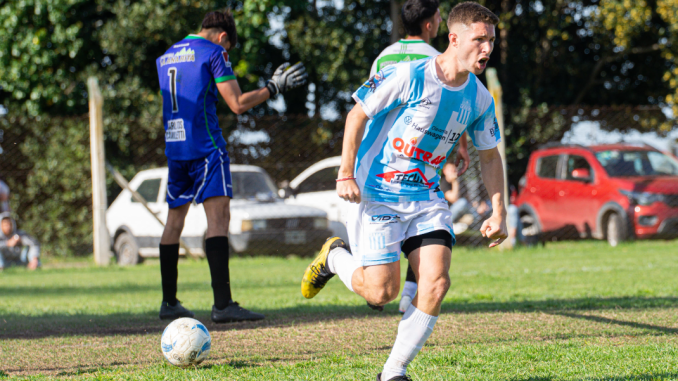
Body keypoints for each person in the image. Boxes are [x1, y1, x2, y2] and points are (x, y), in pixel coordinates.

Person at [301, 3, 506, 380]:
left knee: (437, 282)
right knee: (381, 293)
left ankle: (393, 371)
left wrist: (499, 212)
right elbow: (356, 115)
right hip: (377, 193)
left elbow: (490, 158)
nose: (487, 49)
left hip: (426, 198)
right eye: (479, 40)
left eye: (491, 40)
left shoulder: (479, 98)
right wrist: (345, 173)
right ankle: (334, 258)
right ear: (454, 38)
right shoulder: (409, 75)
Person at [155, 10, 307, 323]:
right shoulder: (214, 53)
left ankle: (169, 302)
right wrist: (272, 88)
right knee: (219, 219)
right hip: (206, 149)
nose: (227, 54)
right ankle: (223, 305)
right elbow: (236, 104)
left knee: (173, 222)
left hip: (176, 148)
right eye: (229, 49)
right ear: (224, 37)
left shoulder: (167, 56)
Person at [369, 0, 471, 314]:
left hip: (383, 158)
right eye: (439, 16)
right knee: (422, 223)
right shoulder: (436, 59)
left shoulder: (383, 57)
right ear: (429, 24)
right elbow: (453, 100)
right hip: (420, 153)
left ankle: (396, 288)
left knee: (409, 226)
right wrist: (461, 146)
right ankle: (406, 293)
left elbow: (370, 105)